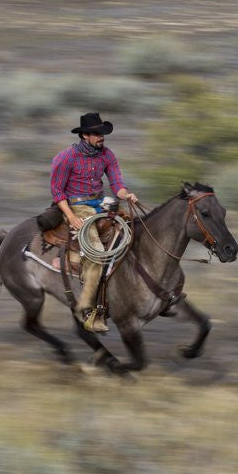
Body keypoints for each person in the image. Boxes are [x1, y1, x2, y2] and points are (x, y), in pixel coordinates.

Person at [50, 112, 138, 332]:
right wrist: (71, 216)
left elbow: (117, 182)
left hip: (101, 205)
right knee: (97, 254)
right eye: (98, 134)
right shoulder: (67, 157)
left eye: (103, 134)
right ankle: (85, 310)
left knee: (132, 232)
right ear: (85, 135)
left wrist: (125, 195)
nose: (102, 138)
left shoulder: (107, 155)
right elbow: (57, 191)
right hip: (76, 207)